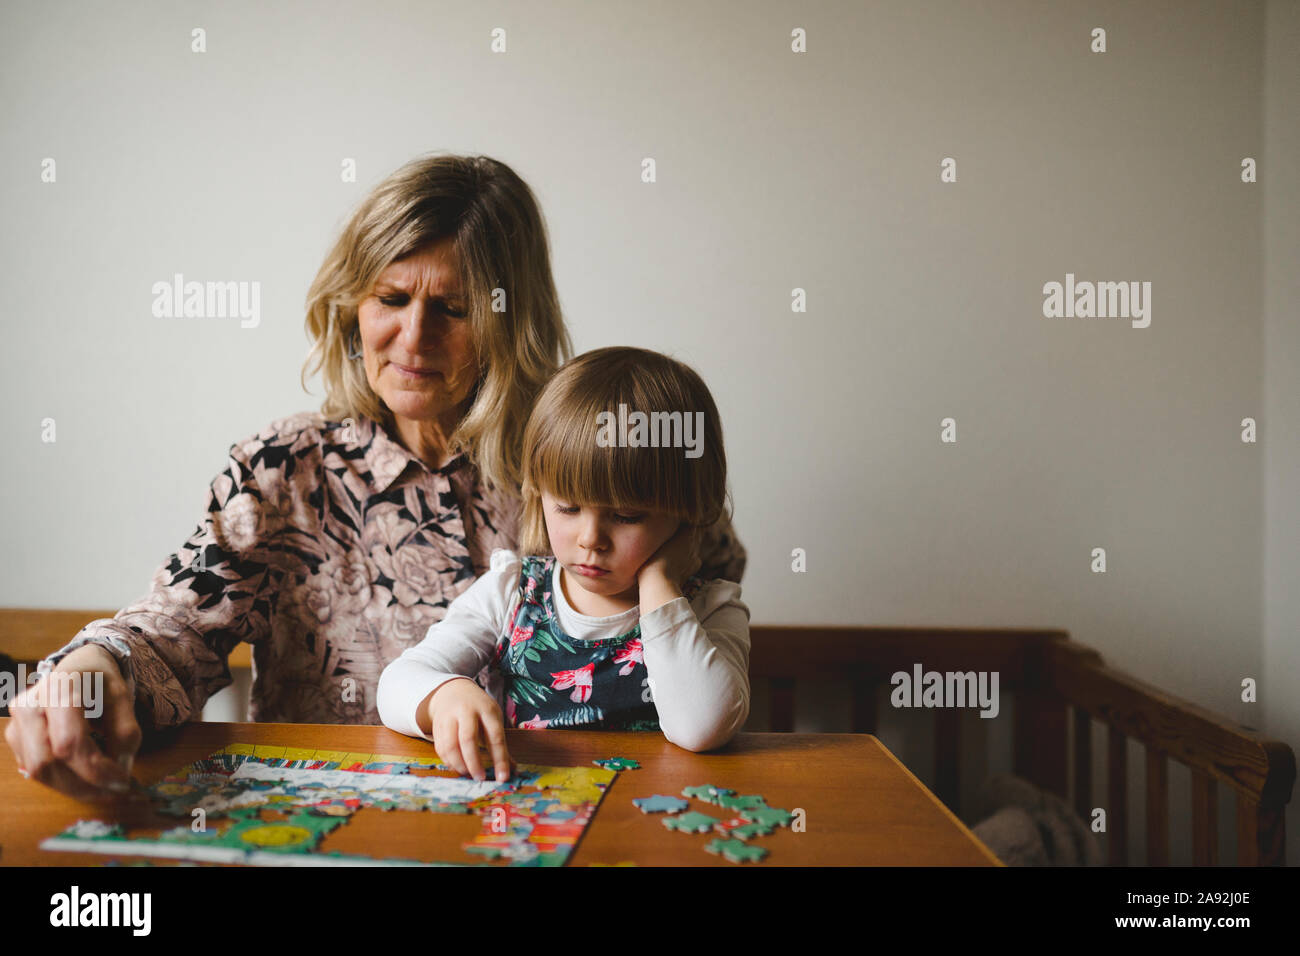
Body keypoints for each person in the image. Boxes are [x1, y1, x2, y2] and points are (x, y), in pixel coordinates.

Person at [5, 154, 747, 802]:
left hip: (572, 823)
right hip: (332, 831)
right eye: (391, 299)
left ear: (508, 321)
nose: (413, 338)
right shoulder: (283, 471)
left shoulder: (601, 462)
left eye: (452, 309)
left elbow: (705, 645)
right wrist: (90, 673)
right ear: (351, 304)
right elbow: (170, 631)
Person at [377, 347, 750, 782]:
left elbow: (702, 727)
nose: (590, 539)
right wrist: (442, 694)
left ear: (689, 513)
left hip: (649, 828)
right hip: (533, 825)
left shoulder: (710, 610)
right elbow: (396, 682)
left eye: (626, 516)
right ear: (539, 492)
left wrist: (658, 585)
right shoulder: (513, 592)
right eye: (568, 507)